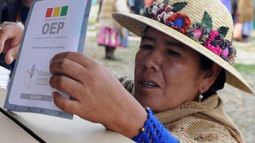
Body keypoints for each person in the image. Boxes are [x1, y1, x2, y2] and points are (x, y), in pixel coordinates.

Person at [0, 0, 254, 142]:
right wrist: (31, 45)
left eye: (173, 53)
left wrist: (138, 125)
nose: (150, 61)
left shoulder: (214, 133)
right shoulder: (127, 91)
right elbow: (78, 81)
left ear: (208, 76)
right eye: (147, 45)